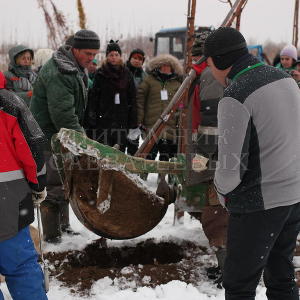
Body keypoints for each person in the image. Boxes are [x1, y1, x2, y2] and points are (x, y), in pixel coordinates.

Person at [204, 27, 300, 299]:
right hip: (293, 195)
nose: (211, 72)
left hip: (259, 202)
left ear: (220, 61)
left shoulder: (237, 93)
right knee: (281, 277)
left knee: (239, 285)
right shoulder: (285, 79)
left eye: (210, 64)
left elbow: (230, 164)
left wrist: (222, 193)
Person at [30, 29, 100, 243]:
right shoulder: (60, 72)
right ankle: (52, 237)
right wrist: (82, 142)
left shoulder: (73, 68)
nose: (92, 58)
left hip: (60, 136)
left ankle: (63, 226)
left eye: (95, 53)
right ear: (75, 49)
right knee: (53, 186)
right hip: (48, 136)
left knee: (63, 181)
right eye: (88, 53)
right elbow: (63, 116)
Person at [0, 71, 48, 300]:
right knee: (20, 266)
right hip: (9, 200)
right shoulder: (8, 102)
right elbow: (33, 145)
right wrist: (38, 185)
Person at [190, 31, 228, 286]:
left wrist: (200, 159)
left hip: (214, 155)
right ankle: (227, 266)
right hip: (213, 151)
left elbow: (212, 125)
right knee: (214, 212)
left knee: (216, 214)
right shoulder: (205, 74)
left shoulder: (210, 75)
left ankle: (230, 271)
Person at [85, 40, 137, 152]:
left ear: (120, 56)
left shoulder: (127, 73)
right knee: (104, 152)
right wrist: (92, 117)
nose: (114, 57)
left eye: (116, 55)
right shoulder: (101, 73)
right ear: (107, 57)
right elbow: (94, 97)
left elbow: (132, 97)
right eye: (111, 55)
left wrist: (133, 121)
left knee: (119, 153)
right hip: (103, 120)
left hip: (122, 120)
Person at [136, 54, 183, 170]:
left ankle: (163, 179)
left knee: (167, 157)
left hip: (170, 126)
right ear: (158, 66)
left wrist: (179, 119)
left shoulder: (177, 85)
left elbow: (181, 105)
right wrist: (139, 120)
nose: (165, 68)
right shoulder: (149, 81)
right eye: (163, 65)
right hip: (152, 125)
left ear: (173, 68)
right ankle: (142, 176)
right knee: (147, 155)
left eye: (168, 66)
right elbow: (140, 101)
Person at [125, 48, 147, 155]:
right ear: (130, 59)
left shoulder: (145, 77)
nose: (137, 60)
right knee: (119, 146)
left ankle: (130, 170)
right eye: (134, 58)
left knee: (133, 146)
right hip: (122, 114)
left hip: (136, 116)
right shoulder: (122, 72)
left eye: (140, 59)